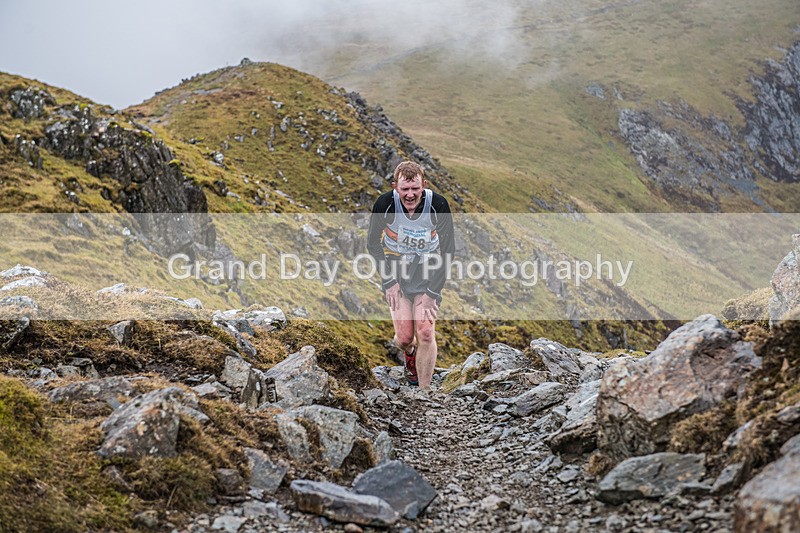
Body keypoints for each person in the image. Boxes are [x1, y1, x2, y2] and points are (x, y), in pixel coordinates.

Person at [367, 161, 454, 390]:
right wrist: (389, 281)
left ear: (423, 185)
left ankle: (424, 392)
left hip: (427, 269)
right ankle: (411, 355)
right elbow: (372, 245)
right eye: (405, 189)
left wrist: (433, 292)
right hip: (397, 271)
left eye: (415, 189)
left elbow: (448, 251)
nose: (410, 195)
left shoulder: (438, 205)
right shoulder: (385, 204)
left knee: (425, 331)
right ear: (396, 187)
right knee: (405, 338)